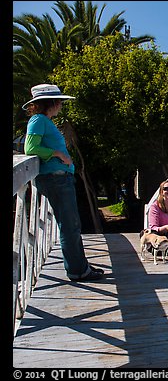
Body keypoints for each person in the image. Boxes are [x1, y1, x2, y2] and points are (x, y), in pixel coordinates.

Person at [23, 84, 104, 282]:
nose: (61, 104)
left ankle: (80, 265)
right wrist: (58, 154)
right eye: (59, 101)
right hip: (56, 179)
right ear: (50, 102)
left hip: (60, 178)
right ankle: (77, 270)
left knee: (72, 224)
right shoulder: (38, 120)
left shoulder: (45, 121)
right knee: (69, 225)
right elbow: (30, 147)